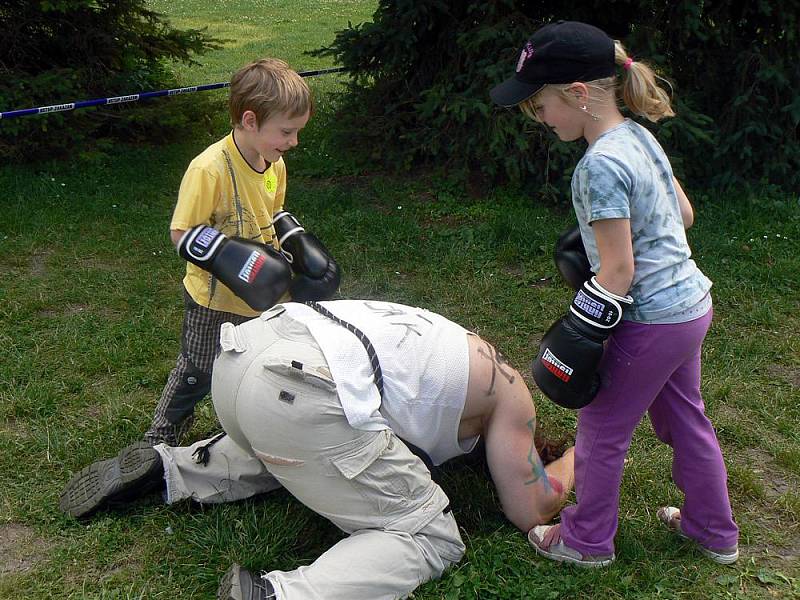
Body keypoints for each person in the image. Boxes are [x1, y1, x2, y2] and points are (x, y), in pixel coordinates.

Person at [60, 299, 575, 599]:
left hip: (247, 352)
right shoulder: (510, 394)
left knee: (309, 449)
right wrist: (587, 452)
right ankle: (281, 594)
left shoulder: (445, 343)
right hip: (298, 387)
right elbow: (530, 508)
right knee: (431, 535)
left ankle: (170, 467)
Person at [490, 21, 738, 567]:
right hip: (691, 305)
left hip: (649, 320)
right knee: (686, 419)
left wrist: (576, 332)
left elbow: (619, 271)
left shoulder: (597, 166)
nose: (538, 118)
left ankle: (586, 541)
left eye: (540, 106)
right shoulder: (640, 135)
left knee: (601, 433)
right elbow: (686, 216)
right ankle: (713, 530)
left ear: (578, 96)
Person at [145, 58, 341, 447]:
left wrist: (296, 239)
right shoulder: (209, 169)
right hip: (213, 300)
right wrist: (230, 259)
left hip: (262, 292)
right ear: (250, 120)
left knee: (259, 363)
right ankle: (161, 436)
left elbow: (272, 211)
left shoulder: (274, 163)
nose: (294, 142)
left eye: (297, 131)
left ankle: (253, 425)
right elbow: (181, 232)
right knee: (198, 369)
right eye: (286, 131)